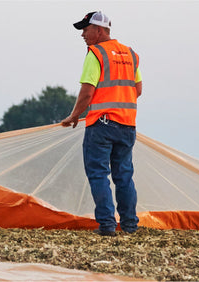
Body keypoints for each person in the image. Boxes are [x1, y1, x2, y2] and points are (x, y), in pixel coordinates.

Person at [60, 11, 144, 236]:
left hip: (102, 125)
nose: (83, 35)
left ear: (99, 30)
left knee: (98, 174)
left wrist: (74, 115)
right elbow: (138, 90)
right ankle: (129, 226)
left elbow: (87, 92)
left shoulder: (96, 53)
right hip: (128, 126)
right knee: (124, 175)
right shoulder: (130, 54)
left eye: (85, 30)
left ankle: (107, 226)